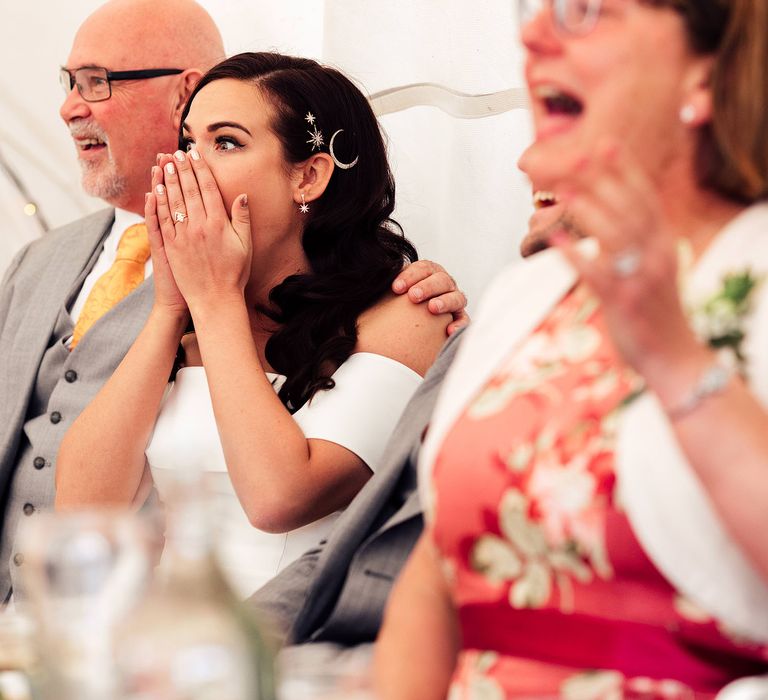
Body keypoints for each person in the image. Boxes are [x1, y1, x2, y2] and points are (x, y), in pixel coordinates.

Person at [0, 0, 467, 605]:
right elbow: (85, 503)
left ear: (310, 177)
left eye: (225, 143)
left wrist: (214, 301)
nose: (190, 167)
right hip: (161, 654)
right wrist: (171, 309)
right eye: (189, 142)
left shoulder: (405, 312)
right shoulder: (187, 314)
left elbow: (279, 498)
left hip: (295, 646)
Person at [375, 1, 768, 697]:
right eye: (539, 9)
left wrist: (676, 362)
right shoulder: (532, 291)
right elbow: (438, 579)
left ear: (704, 79)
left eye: (586, 11)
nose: (532, 33)